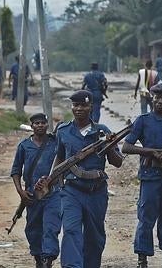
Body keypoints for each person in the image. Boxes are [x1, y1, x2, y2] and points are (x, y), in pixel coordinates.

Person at [39, 90, 124, 268]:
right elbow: (60, 158)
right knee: (70, 230)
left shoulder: (102, 131)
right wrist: (51, 178)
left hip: (96, 191)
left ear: (90, 106)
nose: (79, 109)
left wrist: (109, 145)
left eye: (83, 105)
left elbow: (117, 163)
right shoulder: (63, 130)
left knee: (94, 237)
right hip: (71, 190)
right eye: (76, 105)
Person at [122, 83, 162, 268]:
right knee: (146, 219)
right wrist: (150, 153)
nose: (161, 102)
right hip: (150, 178)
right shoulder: (143, 120)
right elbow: (127, 146)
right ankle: (142, 260)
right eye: (157, 98)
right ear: (151, 99)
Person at [10, 113, 61, 268]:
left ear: (47, 125)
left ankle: (48, 259)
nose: (40, 126)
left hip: (53, 193)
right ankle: (38, 257)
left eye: (43, 123)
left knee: (51, 227)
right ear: (31, 126)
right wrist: (21, 192)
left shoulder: (55, 143)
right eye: (36, 123)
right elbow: (16, 171)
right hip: (32, 195)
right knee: (33, 229)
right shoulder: (24, 146)